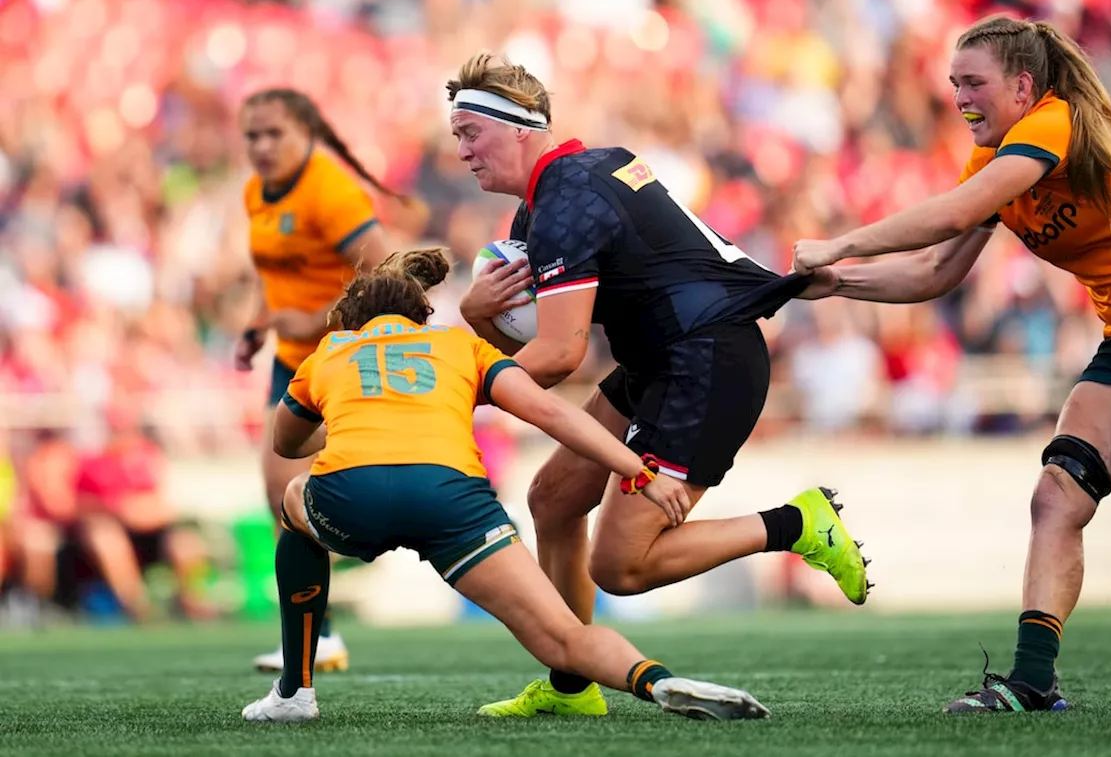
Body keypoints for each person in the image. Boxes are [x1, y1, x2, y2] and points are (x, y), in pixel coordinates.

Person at [793, 14, 1111, 713]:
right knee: (1056, 497)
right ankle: (1031, 682)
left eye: (974, 82)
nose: (959, 97)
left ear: (1023, 86)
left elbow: (953, 214)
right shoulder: (992, 160)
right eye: (954, 83)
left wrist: (838, 246)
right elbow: (933, 271)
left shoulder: (1054, 122)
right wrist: (838, 284)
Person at [446, 53, 868, 719]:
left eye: (470, 132)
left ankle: (797, 523)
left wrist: (449, 390)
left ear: (521, 127)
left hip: (704, 360)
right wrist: (478, 321)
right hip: (665, 357)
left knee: (622, 566)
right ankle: (571, 683)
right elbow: (543, 352)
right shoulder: (564, 192)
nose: (462, 151)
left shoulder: (565, 204)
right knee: (553, 499)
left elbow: (558, 356)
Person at [241, 252, 770, 723]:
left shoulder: (330, 351)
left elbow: (286, 445)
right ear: (424, 315)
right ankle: (656, 679)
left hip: (351, 497)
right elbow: (548, 411)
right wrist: (638, 470)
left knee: (292, 503)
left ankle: (295, 691)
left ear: (351, 321)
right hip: (452, 499)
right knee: (564, 637)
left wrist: (346, 418)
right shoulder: (458, 346)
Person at [234, 88, 395, 674]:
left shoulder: (330, 191)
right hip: (290, 359)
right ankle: (317, 634)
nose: (261, 146)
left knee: (301, 495)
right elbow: (272, 272)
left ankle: (322, 629)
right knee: (279, 493)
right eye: (252, 135)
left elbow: (389, 271)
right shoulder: (256, 192)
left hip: (339, 357)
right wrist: (258, 325)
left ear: (306, 133)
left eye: (274, 133)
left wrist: (317, 318)